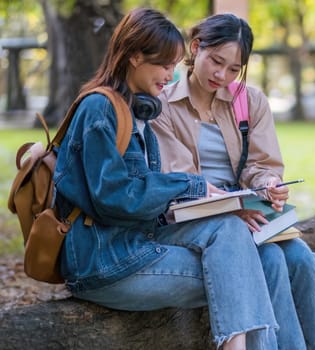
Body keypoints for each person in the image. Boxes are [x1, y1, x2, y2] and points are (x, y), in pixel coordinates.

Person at [54, 8, 277, 350]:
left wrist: (216, 204)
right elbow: (116, 198)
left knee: (233, 234)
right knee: (243, 273)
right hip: (104, 261)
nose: (171, 74)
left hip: (136, 243)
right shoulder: (100, 109)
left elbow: (145, 195)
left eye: (174, 65)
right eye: (164, 65)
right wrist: (192, 186)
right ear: (134, 56)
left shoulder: (138, 109)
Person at [151, 13, 315, 350]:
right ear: (196, 48)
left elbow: (261, 164)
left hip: (247, 211)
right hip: (197, 216)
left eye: (234, 69)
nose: (222, 75)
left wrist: (268, 185)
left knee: (302, 259)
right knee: (272, 260)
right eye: (216, 62)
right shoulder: (163, 107)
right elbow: (179, 180)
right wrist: (232, 209)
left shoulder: (248, 101)